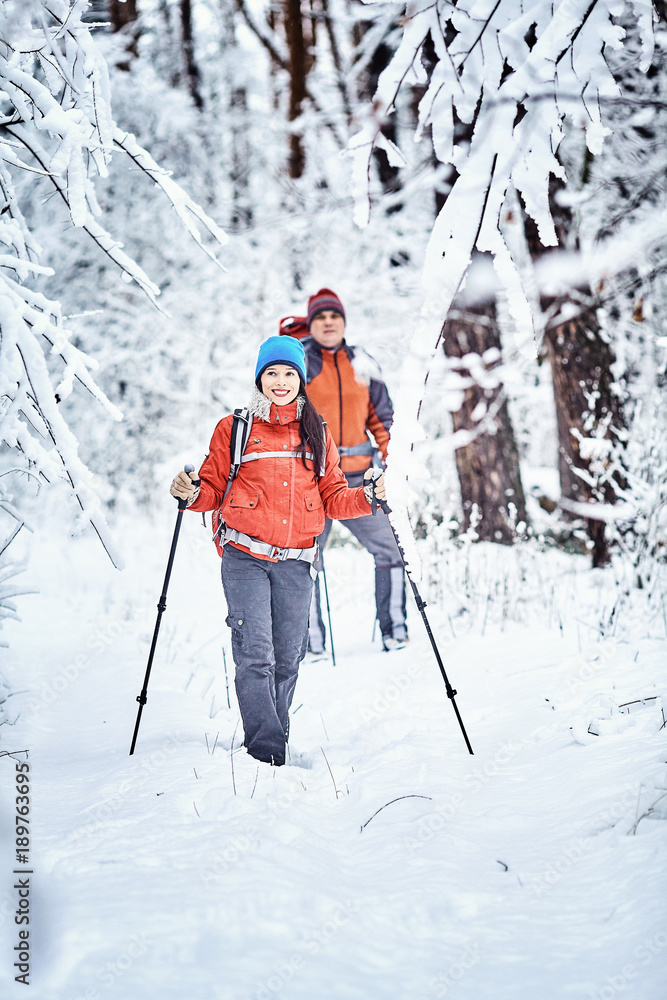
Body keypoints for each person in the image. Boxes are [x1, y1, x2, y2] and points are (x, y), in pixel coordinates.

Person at [170, 335, 385, 767]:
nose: (281, 381)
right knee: (256, 653)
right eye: (272, 373)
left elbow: (335, 496)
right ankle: (265, 752)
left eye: (289, 373)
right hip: (244, 557)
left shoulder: (317, 431)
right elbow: (211, 490)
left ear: (301, 380)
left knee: (288, 657)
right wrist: (190, 494)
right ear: (259, 378)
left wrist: (371, 496)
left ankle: (275, 737)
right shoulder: (234, 429)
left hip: (297, 561)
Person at [290, 288, 407, 653]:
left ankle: (395, 631)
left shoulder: (362, 361)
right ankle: (311, 644)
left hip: (358, 481)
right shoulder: (301, 361)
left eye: (334, 316)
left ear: (343, 322)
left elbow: (382, 417)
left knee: (392, 551)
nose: (328, 323)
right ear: (311, 323)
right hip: (312, 482)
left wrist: (394, 463)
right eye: (320, 317)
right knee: (305, 560)